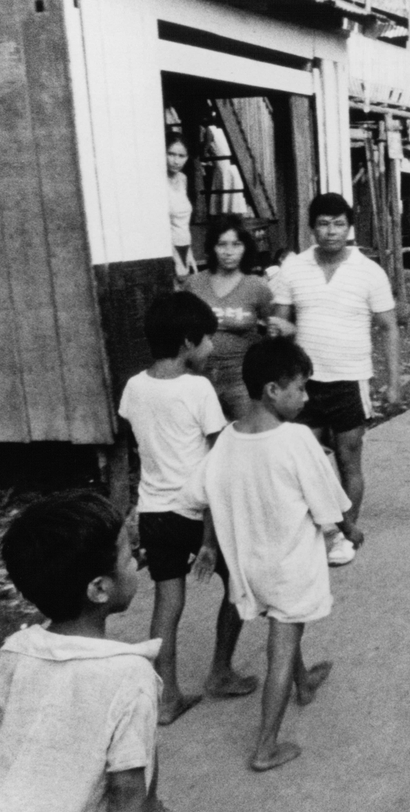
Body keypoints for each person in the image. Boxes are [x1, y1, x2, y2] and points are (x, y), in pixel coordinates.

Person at [175, 337, 358, 771]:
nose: (306, 397)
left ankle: (304, 683)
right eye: (300, 387)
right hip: (290, 566)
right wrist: (351, 531)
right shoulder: (296, 439)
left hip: (249, 567)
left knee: (282, 624)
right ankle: (266, 746)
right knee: (283, 640)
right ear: (274, 390)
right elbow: (329, 507)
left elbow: (196, 493)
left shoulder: (228, 440)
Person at [0, 492, 167, 812]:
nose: (136, 559)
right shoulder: (131, 675)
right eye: (128, 554)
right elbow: (127, 793)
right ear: (99, 589)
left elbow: (2, 744)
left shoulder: (15, 652)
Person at [119, 292, 255, 726]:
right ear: (186, 342)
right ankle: (220, 672)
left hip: (154, 512)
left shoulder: (134, 386)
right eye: (207, 340)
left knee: (167, 599)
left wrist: (128, 511)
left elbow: (136, 445)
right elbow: (216, 467)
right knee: (239, 585)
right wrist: (212, 540)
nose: (212, 348)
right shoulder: (198, 388)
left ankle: (167, 696)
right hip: (196, 512)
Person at [269, 193, 401, 568]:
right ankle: (312, 530)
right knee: (302, 460)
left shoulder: (369, 272)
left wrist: (394, 383)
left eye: (338, 224)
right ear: (312, 228)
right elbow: (281, 326)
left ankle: (345, 535)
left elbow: (389, 327)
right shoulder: (292, 270)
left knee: (348, 460)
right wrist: (278, 332)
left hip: (350, 379)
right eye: (324, 224)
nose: (331, 231)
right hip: (302, 385)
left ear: (349, 227)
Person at [185, 215, 274, 420]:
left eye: (236, 244)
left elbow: (272, 332)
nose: (228, 252)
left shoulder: (257, 287)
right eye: (222, 244)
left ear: (245, 248)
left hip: (241, 383)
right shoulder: (194, 284)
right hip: (199, 379)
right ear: (212, 247)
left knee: (247, 442)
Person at [167, 134, 197, 282]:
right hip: (168, 250)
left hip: (184, 246)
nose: (176, 160)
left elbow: (184, 224)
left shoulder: (183, 178)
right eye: (171, 154)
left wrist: (189, 253)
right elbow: (160, 226)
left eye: (181, 155)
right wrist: (177, 261)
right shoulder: (159, 180)